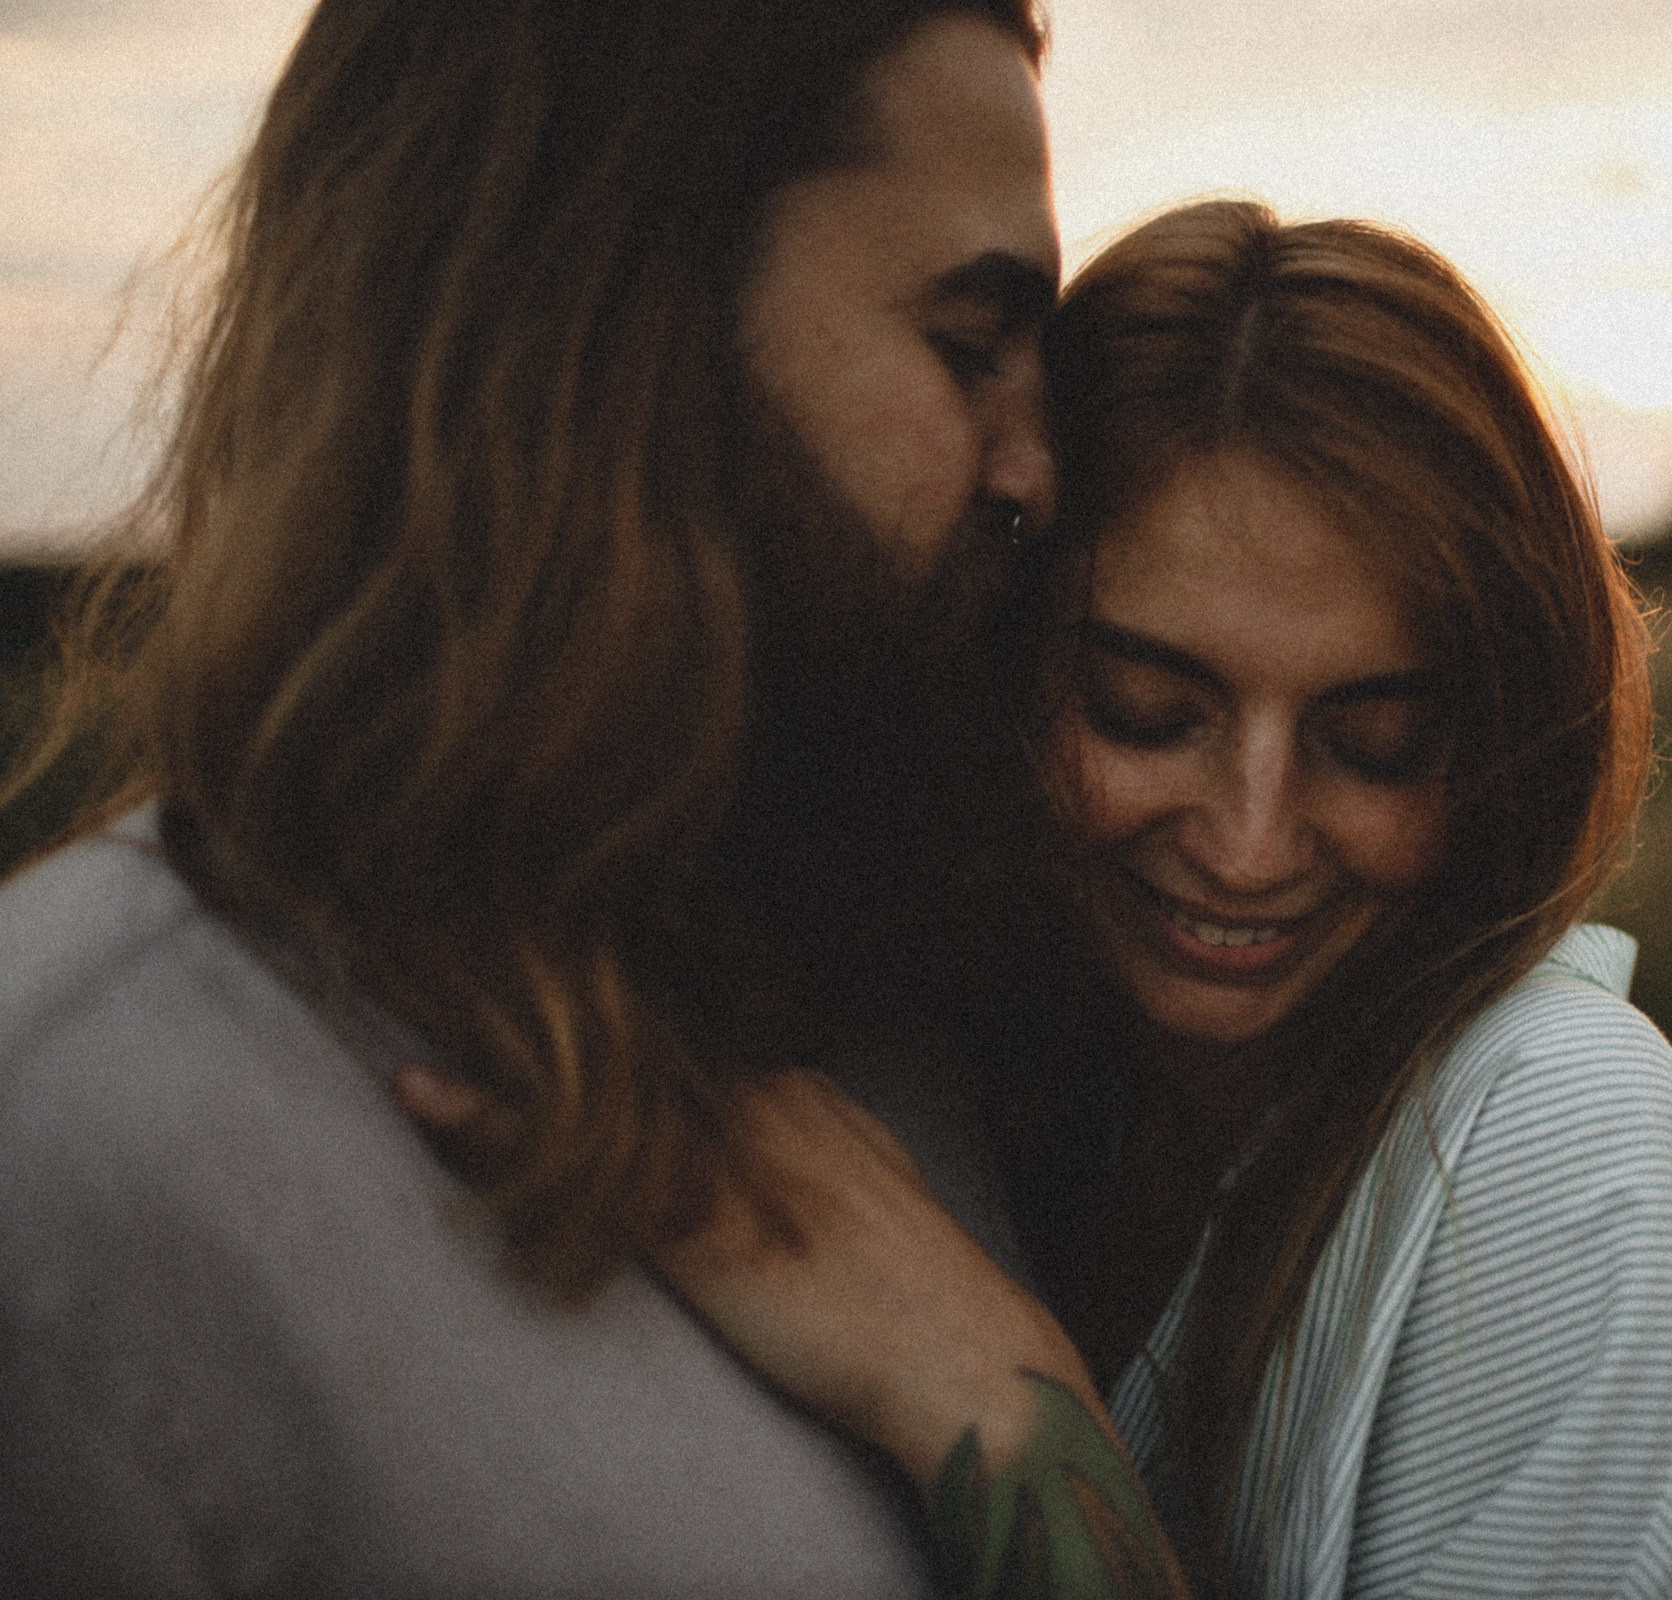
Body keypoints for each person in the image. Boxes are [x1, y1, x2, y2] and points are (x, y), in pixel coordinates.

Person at [0, 1, 1175, 1594]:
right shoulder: (76, 1155)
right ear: (613, 335)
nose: (1038, 471)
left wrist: (998, 1388)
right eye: (967, 349)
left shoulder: (883, 1011)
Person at [657, 201, 1672, 1597]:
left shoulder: (1562, 1155)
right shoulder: (991, 1078)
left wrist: (983, 1382)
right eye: (1147, 710)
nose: (1252, 844)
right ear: (1002, 665)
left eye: (1371, 741)